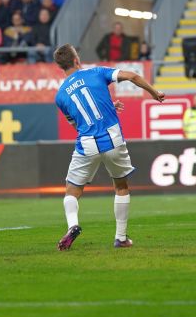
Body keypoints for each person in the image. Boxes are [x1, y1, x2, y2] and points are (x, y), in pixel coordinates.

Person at [53, 44, 164, 250]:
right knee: (121, 187)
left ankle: (73, 225)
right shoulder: (96, 72)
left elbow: (77, 122)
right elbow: (132, 76)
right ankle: (121, 238)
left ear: (61, 67)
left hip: (87, 144)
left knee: (72, 190)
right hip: (112, 139)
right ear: (77, 60)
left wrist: (107, 107)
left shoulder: (60, 96)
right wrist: (154, 92)